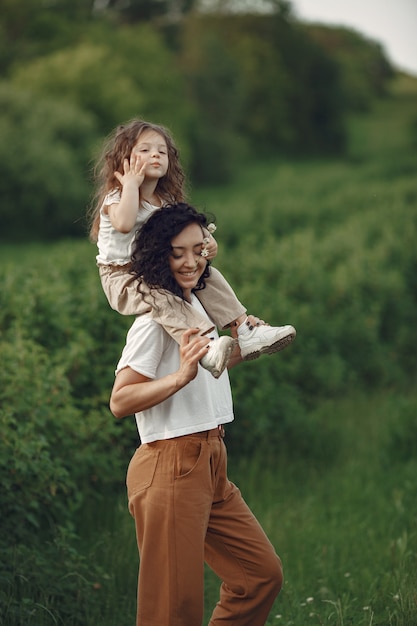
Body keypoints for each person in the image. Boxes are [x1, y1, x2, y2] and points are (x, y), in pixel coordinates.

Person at [109, 202, 284, 626]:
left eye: (197, 249)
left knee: (259, 576)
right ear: (157, 256)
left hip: (210, 460)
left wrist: (246, 345)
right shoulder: (155, 320)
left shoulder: (199, 308)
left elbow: (211, 367)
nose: (191, 262)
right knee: (173, 611)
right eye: (177, 252)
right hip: (171, 463)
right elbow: (120, 400)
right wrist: (180, 377)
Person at [89, 119, 296, 378]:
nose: (155, 154)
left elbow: (188, 232)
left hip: (156, 267)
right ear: (124, 159)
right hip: (123, 277)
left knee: (207, 274)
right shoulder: (117, 197)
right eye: (144, 150)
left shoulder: (166, 201)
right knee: (161, 299)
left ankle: (245, 329)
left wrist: (207, 244)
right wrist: (131, 184)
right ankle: (205, 348)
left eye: (161, 151)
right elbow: (124, 223)